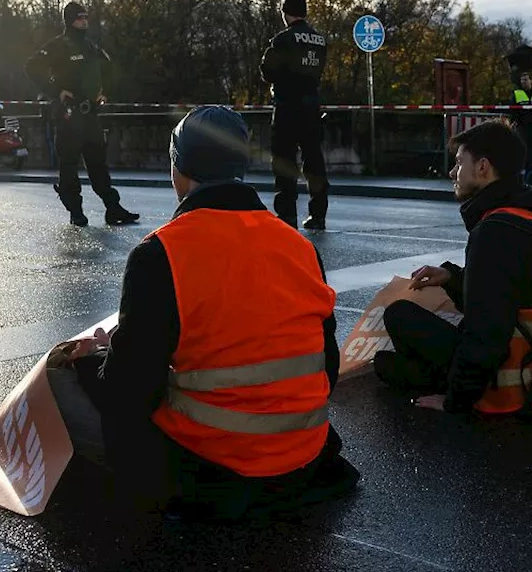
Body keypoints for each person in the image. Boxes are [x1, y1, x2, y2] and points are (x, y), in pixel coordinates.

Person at [56, 105, 358, 520]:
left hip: (216, 470)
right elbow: (326, 362)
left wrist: (102, 356)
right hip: (305, 455)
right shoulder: (298, 246)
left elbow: (129, 393)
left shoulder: (160, 253)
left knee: (62, 378)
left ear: (177, 168)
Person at [375, 120, 532, 414]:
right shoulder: (530, 213)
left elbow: (486, 331)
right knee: (394, 354)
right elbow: (513, 290)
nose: (452, 173)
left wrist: (456, 401)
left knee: (396, 324)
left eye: (459, 163)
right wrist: (451, 277)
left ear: (483, 167)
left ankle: (440, 381)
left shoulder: (494, 230)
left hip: (517, 377)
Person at [25, 2, 139, 227]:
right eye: (80, 18)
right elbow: (31, 67)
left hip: (90, 116)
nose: (84, 22)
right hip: (69, 115)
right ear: (70, 21)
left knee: (99, 164)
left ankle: (113, 208)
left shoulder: (90, 47)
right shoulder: (58, 46)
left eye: (86, 17)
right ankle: (76, 211)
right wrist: (55, 91)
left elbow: (109, 70)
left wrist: (105, 92)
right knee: (68, 166)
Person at [261, 0, 329, 229]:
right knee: (314, 161)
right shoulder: (319, 40)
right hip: (312, 107)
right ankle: (318, 214)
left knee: (284, 161)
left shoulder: (283, 39)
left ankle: (287, 215)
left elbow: (266, 70)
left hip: (287, 107)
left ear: (285, 13)